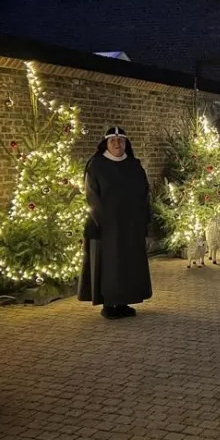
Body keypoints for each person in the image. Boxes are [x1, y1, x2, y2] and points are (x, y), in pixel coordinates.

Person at [78, 127, 153, 319]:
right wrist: (103, 220)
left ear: (127, 144)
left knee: (129, 265)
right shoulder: (96, 166)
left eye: (121, 141)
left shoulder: (134, 165)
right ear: (106, 144)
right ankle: (109, 304)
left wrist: (143, 217)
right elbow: (92, 196)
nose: (117, 145)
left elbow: (144, 193)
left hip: (131, 226)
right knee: (109, 266)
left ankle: (124, 302)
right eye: (113, 141)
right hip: (107, 227)